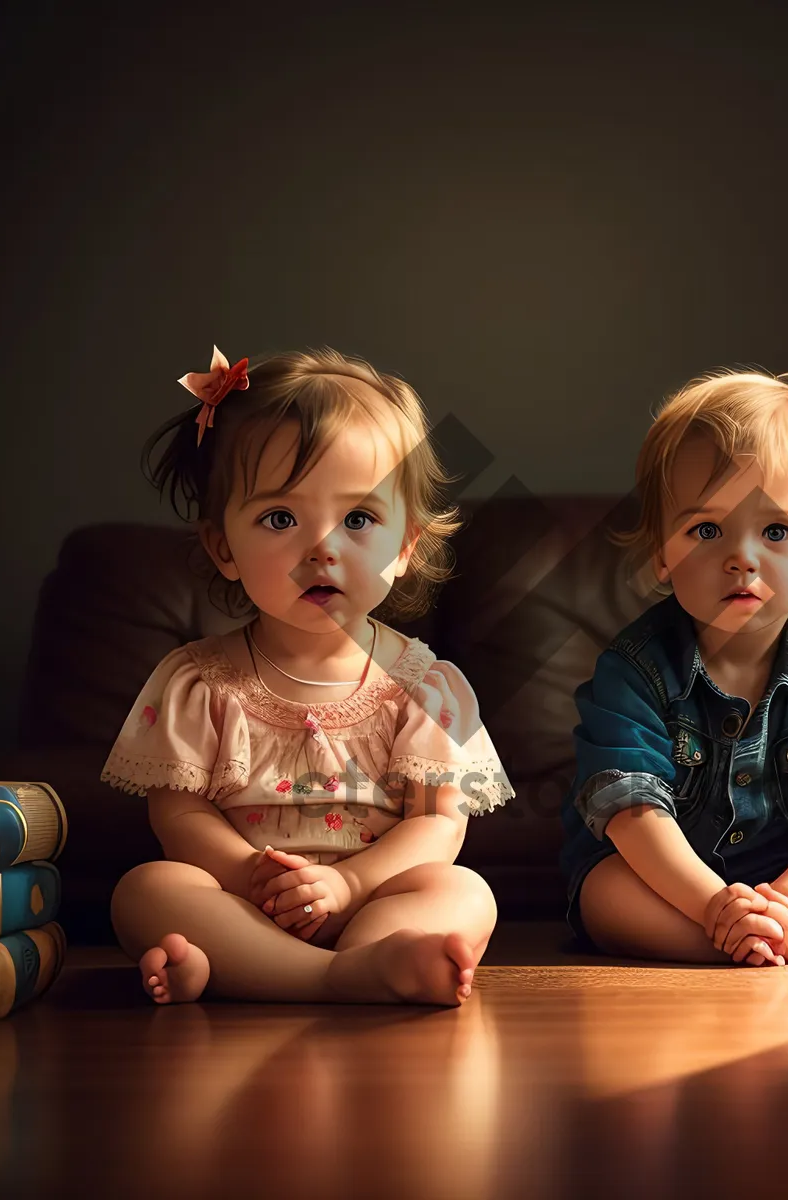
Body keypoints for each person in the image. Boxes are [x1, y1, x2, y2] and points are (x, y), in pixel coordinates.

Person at [103, 345, 511, 1006]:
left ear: (405, 545)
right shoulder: (198, 681)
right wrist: (251, 874)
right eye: (280, 519)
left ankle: (328, 961)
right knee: (148, 889)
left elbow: (438, 824)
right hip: (245, 901)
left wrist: (351, 886)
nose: (321, 547)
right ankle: (329, 978)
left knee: (463, 890)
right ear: (223, 547)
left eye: (358, 519)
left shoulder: (424, 684)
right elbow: (177, 810)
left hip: (372, 899)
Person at [560, 369, 788, 967]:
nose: (741, 558)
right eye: (706, 530)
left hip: (785, 888)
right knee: (604, 894)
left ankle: (769, 943)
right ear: (663, 554)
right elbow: (632, 811)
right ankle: (746, 944)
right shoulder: (633, 669)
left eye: (777, 531)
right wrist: (715, 905)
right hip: (664, 886)